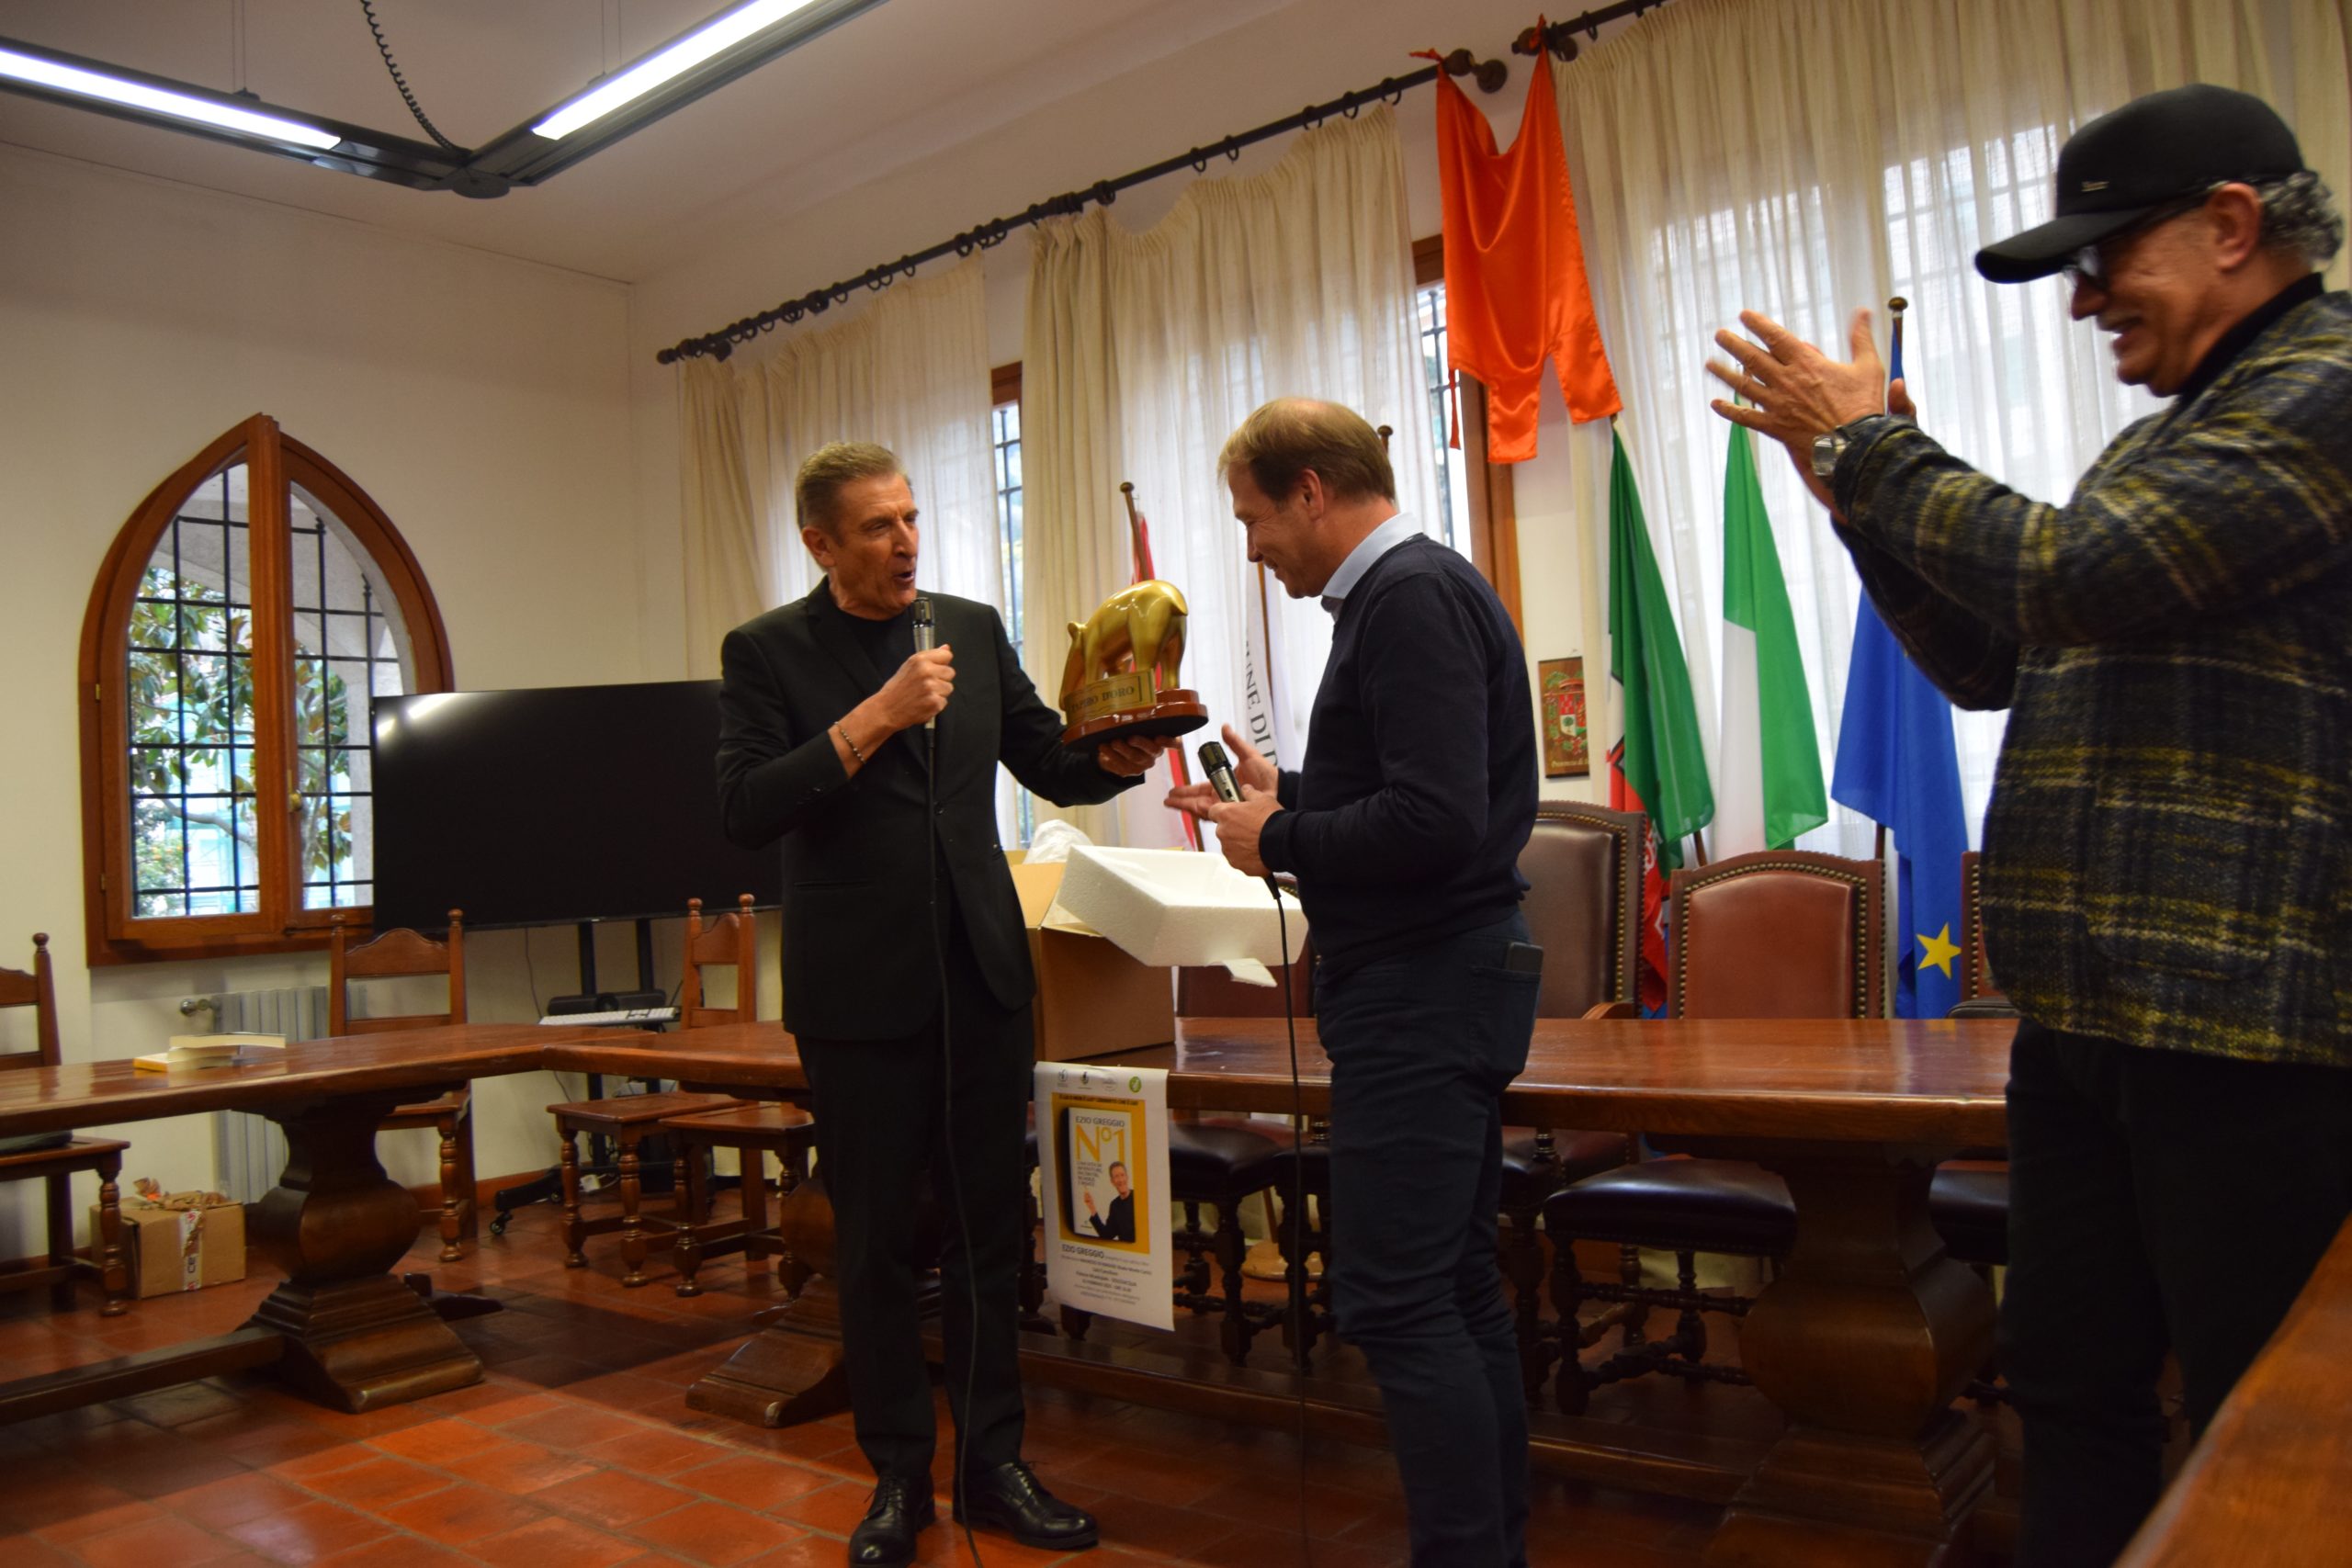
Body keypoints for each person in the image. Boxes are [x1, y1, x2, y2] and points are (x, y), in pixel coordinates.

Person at [1704, 85, 2352, 1567]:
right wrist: (1857, 501)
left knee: (2261, 1421)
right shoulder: (2170, 438)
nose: (2081, 301)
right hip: (2089, 1019)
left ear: (2232, 225)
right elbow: (1999, 653)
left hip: (2247, 1035)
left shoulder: (2328, 384)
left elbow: (2071, 573)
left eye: (2104, 258)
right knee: (2065, 1386)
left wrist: (1873, 451)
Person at [717, 442, 1168, 1567]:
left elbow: (1049, 762)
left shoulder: (967, 625)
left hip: (979, 977)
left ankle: (994, 1467)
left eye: (911, 517)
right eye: (877, 526)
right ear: (821, 543)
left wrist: (1123, 755)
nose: (905, 541)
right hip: (857, 992)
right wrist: (871, 718)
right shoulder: (766, 650)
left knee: (986, 1236)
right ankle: (896, 1479)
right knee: (873, 1245)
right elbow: (745, 808)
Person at [1168, 399, 1541, 1568]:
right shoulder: (1408, 592)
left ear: (1312, 490)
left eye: (1253, 518)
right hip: (1441, 979)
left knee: (1395, 1298)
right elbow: (1415, 789)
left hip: (1424, 988)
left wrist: (1278, 837)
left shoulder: (1407, 598)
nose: (1251, 548)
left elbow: (1435, 821)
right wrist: (1286, 792)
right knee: (1453, 1287)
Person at [1082, 1161, 1136, 1242]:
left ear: (1127, 1177)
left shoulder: (1139, 1197)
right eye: (1116, 1176)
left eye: (1122, 1175)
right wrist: (1091, 1207)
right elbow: (1106, 1235)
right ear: (1112, 1182)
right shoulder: (1115, 1205)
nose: (1120, 1180)